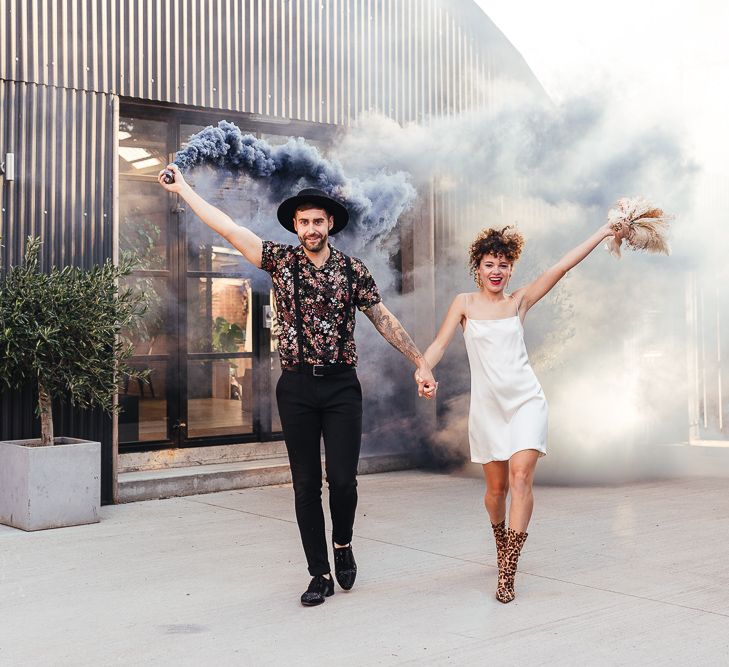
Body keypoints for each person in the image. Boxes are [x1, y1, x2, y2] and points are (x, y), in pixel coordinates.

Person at [158, 165, 436, 606]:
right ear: (295, 225)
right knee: (306, 485)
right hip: (297, 388)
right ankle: (319, 573)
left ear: (330, 225)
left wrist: (419, 361)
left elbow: (382, 318)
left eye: (318, 221)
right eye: (303, 221)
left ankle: (342, 543)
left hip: (343, 387)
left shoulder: (352, 270)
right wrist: (185, 189)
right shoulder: (279, 261)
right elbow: (228, 227)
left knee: (342, 482)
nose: (310, 228)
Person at [422, 222, 625, 603]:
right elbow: (437, 345)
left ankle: (508, 570)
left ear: (511, 269)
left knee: (520, 479)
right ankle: (501, 541)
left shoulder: (519, 302)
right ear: (477, 268)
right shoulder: (463, 304)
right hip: (488, 409)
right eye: (488, 264)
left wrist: (602, 232)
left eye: (503, 264)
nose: (496, 271)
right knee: (495, 491)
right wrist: (423, 368)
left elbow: (561, 267)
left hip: (526, 402)